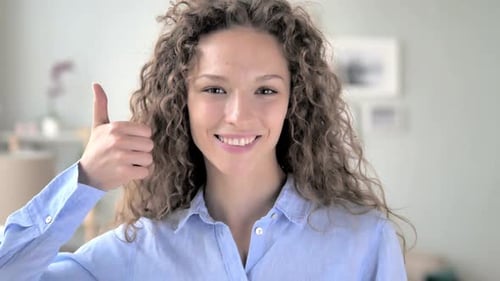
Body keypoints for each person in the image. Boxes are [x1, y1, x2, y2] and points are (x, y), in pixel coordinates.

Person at [0, 0, 411, 280]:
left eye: (265, 90)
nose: (238, 116)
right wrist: (85, 181)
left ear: (294, 102)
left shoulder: (365, 241)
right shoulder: (135, 252)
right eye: (214, 89)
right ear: (183, 101)